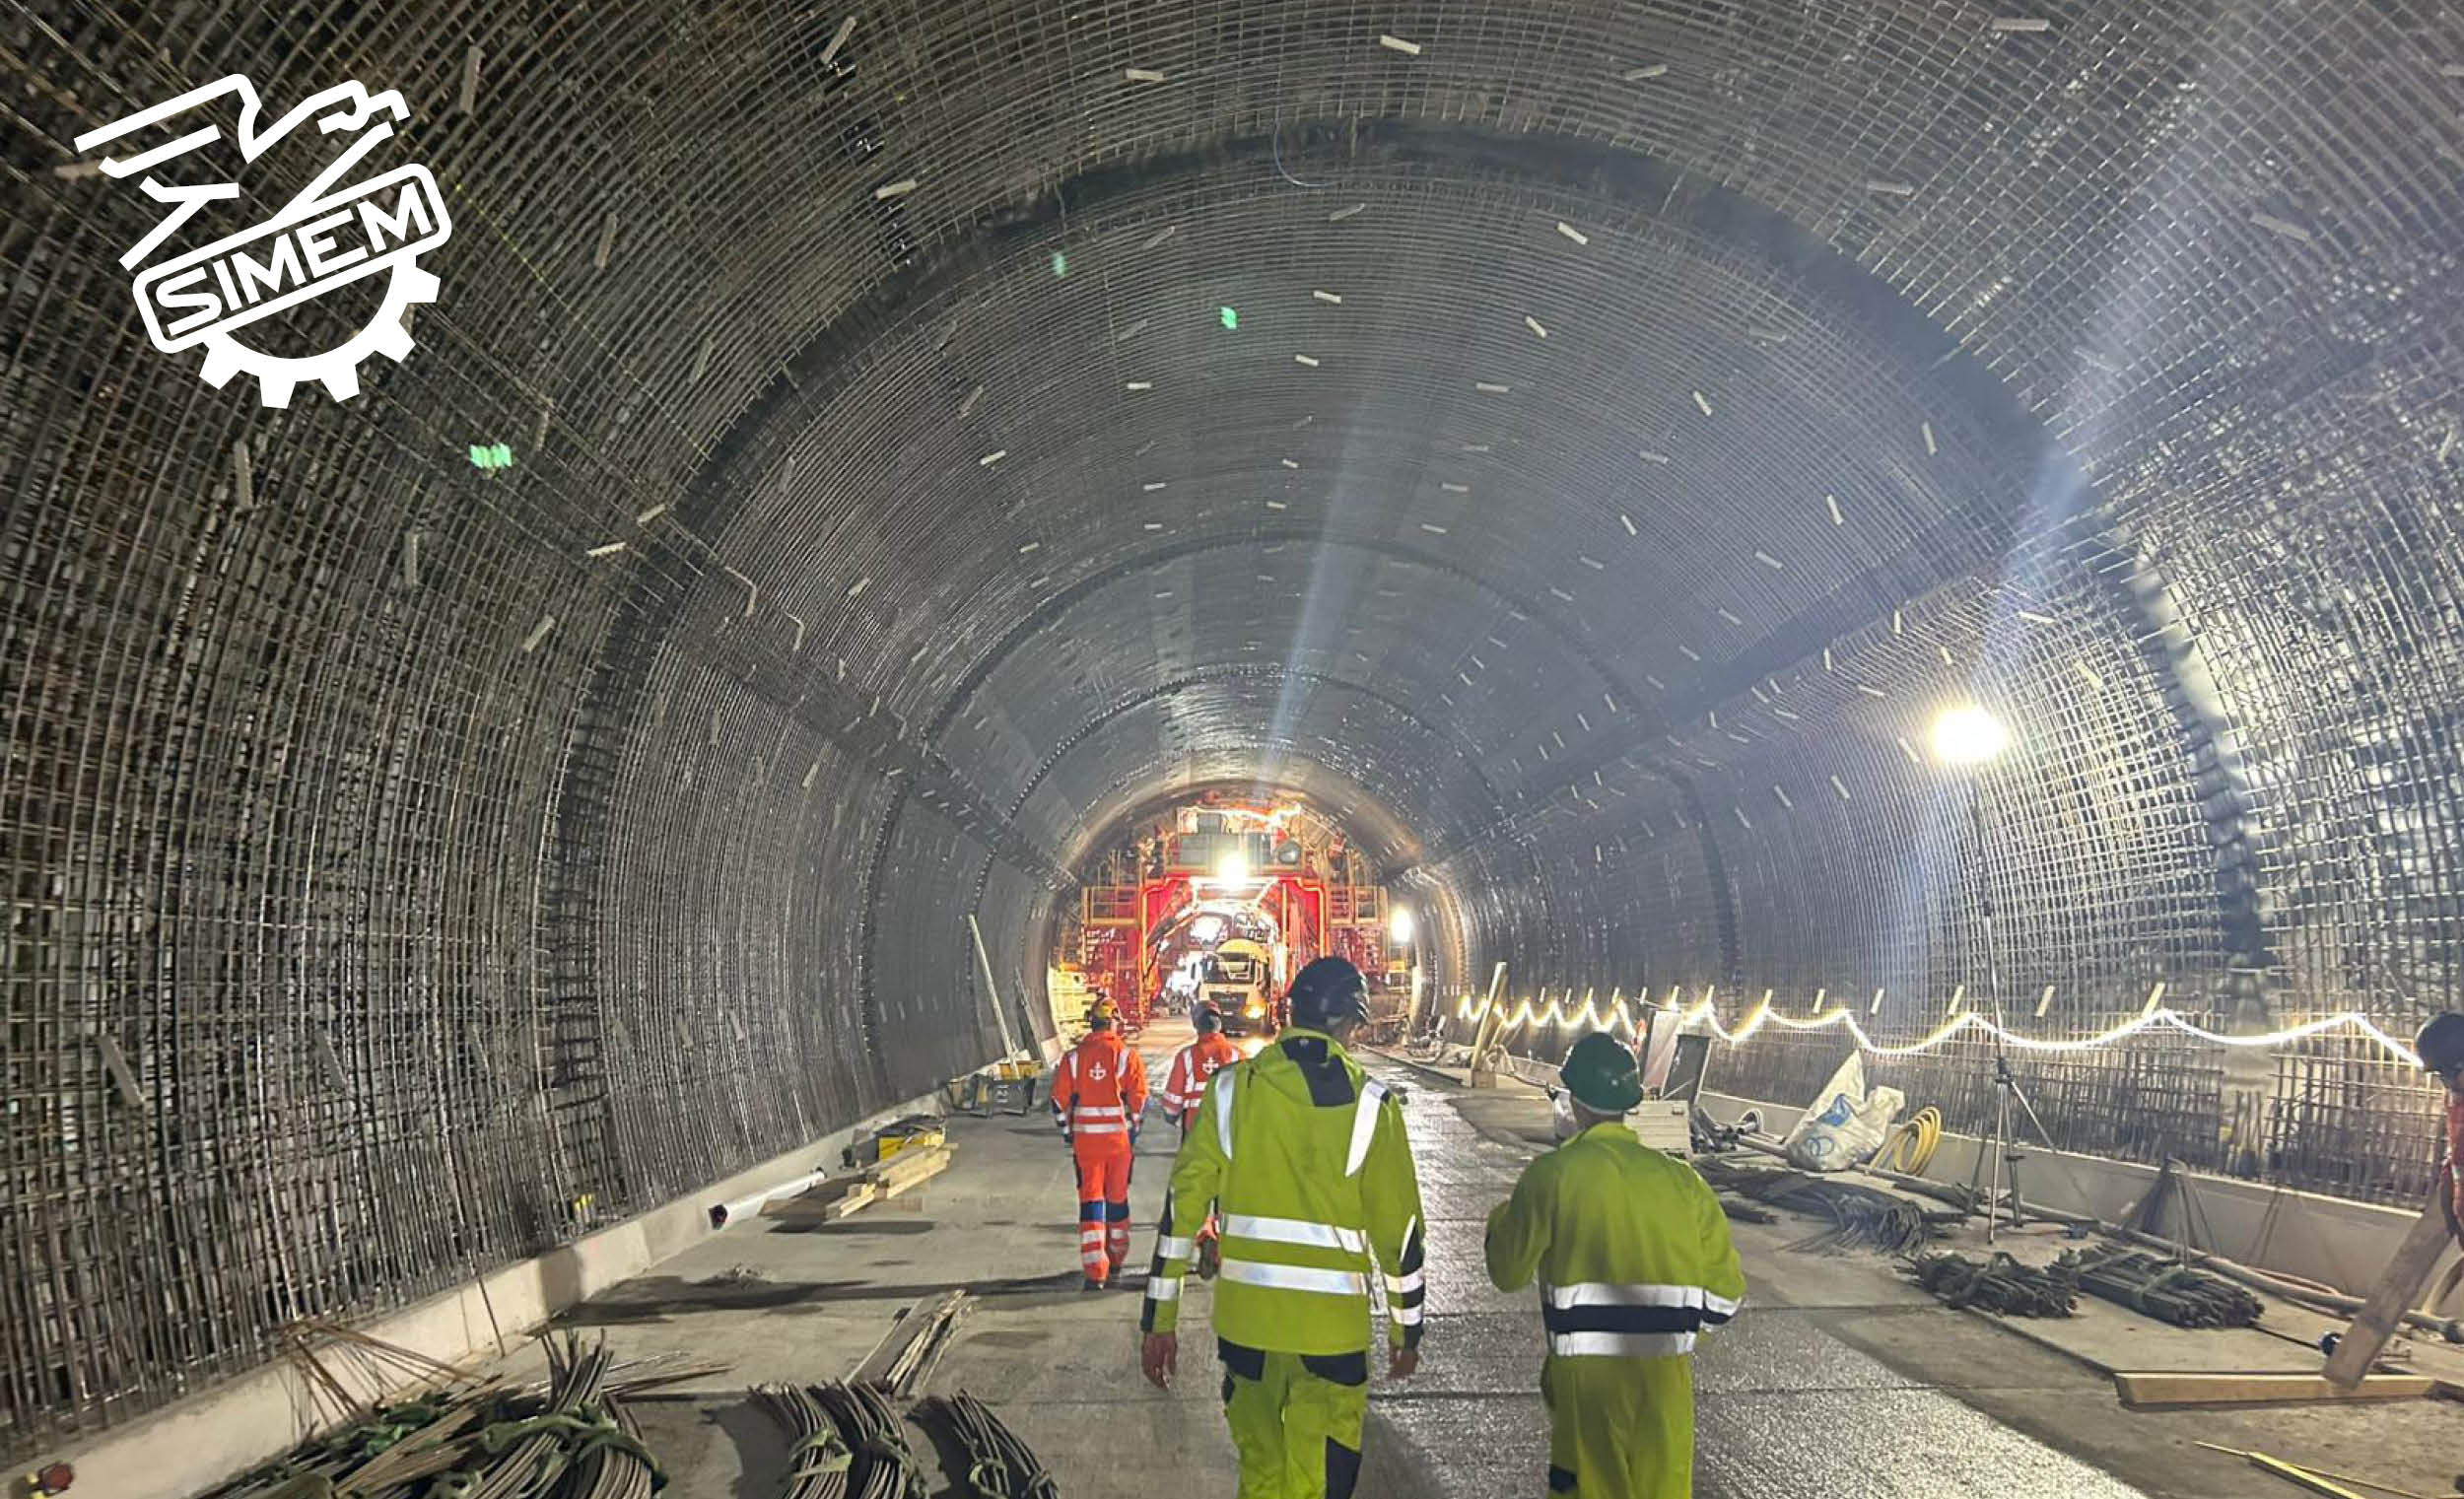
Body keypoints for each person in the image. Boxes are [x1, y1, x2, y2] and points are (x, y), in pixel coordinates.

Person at [1140, 957, 1425, 1499]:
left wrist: (1160, 1319)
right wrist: (1405, 1330)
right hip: (1329, 1336)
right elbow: (1401, 1236)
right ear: (1347, 1023)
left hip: (1248, 1330)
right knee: (1317, 1483)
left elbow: (1182, 1212)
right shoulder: (1370, 1106)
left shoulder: (1230, 1092)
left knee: (1262, 1477)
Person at [1484, 1032, 1745, 1499]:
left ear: (1576, 1103)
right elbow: (1725, 1300)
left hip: (1587, 1390)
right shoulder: (1683, 1182)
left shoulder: (1551, 1177)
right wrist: (1668, 1333)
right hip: (1665, 1387)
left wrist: (1502, 1219)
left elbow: (1507, 1273)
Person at [1052, 997, 1149, 1290]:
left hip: (1086, 1144)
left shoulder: (1073, 1058)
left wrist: (1069, 1132)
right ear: (1114, 1022)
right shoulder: (1126, 1055)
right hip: (1118, 1143)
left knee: (1091, 1199)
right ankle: (1117, 1255)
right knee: (1117, 1198)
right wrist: (1132, 1131)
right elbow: (1139, 1101)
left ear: (1090, 1022)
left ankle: (1096, 1270)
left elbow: (1058, 1101)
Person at [2420, 1013, 2464, 1244]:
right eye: (2440, 1076)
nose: (2446, 1084)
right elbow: (2457, 1151)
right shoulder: (2456, 1097)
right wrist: (2449, 1189)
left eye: (2448, 1074)